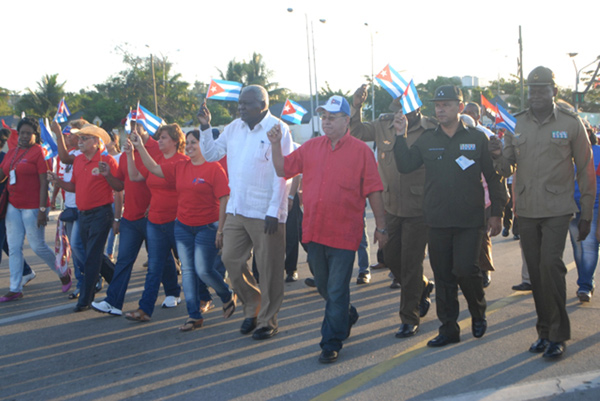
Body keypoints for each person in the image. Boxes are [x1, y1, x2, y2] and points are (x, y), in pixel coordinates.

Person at [268, 95, 387, 363]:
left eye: (332, 117)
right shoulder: (310, 147)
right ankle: (345, 313)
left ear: (347, 120)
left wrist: (381, 227)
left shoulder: (361, 152)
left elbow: (374, 191)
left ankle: (331, 342)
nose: (327, 122)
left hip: (345, 235)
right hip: (314, 233)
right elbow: (282, 168)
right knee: (324, 286)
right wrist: (276, 144)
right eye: (324, 117)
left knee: (335, 290)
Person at [489, 66, 596, 359]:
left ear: (554, 92)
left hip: (558, 208)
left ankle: (559, 335)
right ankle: (544, 331)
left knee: (551, 266)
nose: (536, 94)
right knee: (535, 273)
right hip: (527, 208)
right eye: (532, 89)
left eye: (542, 89)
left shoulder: (571, 123)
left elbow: (586, 170)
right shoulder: (517, 124)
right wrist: (498, 155)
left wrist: (586, 213)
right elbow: (507, 167)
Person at [394, 85, 505, 347]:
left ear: (460, 106)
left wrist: (497, 213)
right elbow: (406, 165)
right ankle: (448, 328)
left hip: (470, 220)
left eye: (446, 104)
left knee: (466, 270)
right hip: (437, 219)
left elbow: (493, 176)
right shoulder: (427, 139)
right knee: (443, 277)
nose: (440, 109)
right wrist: (400, 136)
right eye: (437, 104)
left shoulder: (478, 139)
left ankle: (478, 311)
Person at [197, 85, 293, 340]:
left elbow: (284, 172)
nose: (241, 108)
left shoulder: (278, 130)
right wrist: (206, 127)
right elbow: (211, 154)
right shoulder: (234, 127)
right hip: (237, 208)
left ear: (263, 106)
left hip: (266, 212)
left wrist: (275, 209)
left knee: (269, 268)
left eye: (247, 104)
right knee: (230, 260)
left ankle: (266, 321)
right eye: (240, 103)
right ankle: (252, 302)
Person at [129, 128, 237, 331]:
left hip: (208, 227)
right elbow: (153, 167)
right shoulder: (181, 166)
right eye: (187, 143)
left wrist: (220, 230)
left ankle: (226, 294)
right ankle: (194, 316)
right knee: (187, 272)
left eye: (194, 142)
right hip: (183, 227)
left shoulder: (214, 169)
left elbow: (224, 199)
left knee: (203, 270)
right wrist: (139, 147)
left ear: (204, 144)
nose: (189, 146)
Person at [350, 84, 435, 338]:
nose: (400, 114)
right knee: (390, 257)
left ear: (417, 108)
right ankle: (421, 287)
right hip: (389, 206)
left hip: (419, 208)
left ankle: (409, 317)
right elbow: (354, 131)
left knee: (410, 263)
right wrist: (357, 106)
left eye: (405, 109)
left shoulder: (430, 129)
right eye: (397, 109)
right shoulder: (382, 124)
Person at [0, 118, 71, 302]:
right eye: (21, 133)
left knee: (37, 246)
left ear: (35, 135)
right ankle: (15, 288)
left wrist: (41, 209)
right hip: (13, 206)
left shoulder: (38, 152)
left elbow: (43, 182)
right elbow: (3, 174)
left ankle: (62, 271)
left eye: (27, 133)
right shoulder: (12, 152)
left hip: (33, 207)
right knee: (14, 248)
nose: (24, 136)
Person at [48, 124, 118, 311]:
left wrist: (108, 175)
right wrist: (58, 181)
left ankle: (85, 299)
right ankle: (118, 281)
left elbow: (119, 186)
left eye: (85, 138)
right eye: (79, 138)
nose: (80, 141)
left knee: (92, 257)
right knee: (92, 255)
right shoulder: (78, 161)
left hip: (101, 213)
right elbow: (74, 187)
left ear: (96, 142)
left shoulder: (107, 160)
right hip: (83, 214)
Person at [122, 124, 185, 322]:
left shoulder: (181, 161)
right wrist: (130, 154)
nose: (159, 140)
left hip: (177, 222)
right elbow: (134, 176)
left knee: (190, 266)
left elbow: (156, 171)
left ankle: (204, 298)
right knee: (154, 268)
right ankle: (145, 310)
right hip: (155, 222)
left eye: (164, 137)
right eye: (159, 137)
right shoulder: (155, 158)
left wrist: (140, 146)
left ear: (175, 141)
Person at [461, 104, 504, 288]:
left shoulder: (485, 135)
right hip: (460, 198)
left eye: (471, 114)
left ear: (478, 117)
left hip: (483, 197)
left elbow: (495, 172)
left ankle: (484, 269)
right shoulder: (451, 137)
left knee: (481, 236)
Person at [0, 128, 36, 290]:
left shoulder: (5, 158)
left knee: (6, 242)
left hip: (4, 208)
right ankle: (26, 271)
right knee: (7, 244)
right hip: (6, 208)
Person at [569, 124, 600, 303]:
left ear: (588, 133)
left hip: (594, 206)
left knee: (589, 246)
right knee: (578, 247)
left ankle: (585, 285)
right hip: (572, 206)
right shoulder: (567, 154)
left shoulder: (598, 152)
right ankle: (585, 281)